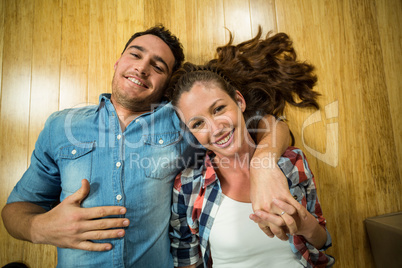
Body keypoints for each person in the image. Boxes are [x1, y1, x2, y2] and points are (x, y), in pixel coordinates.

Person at [2, 25, 297, 267]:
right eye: (135, 55)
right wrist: (39, 228)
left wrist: (264, 166)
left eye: (157, 66)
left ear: (166, 84)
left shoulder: (184, 121)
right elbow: (14, 210)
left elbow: (270, 124)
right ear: (118, 62)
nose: (142, 68)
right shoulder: (61, 126)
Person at [168, 28, 335, 267]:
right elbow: (186, 260)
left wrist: (303, 223)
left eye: (218, 109)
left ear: (239, 101)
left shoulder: (292, 162)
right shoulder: (187, 186)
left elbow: (323, 242)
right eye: (197, 123)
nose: (216, 128)